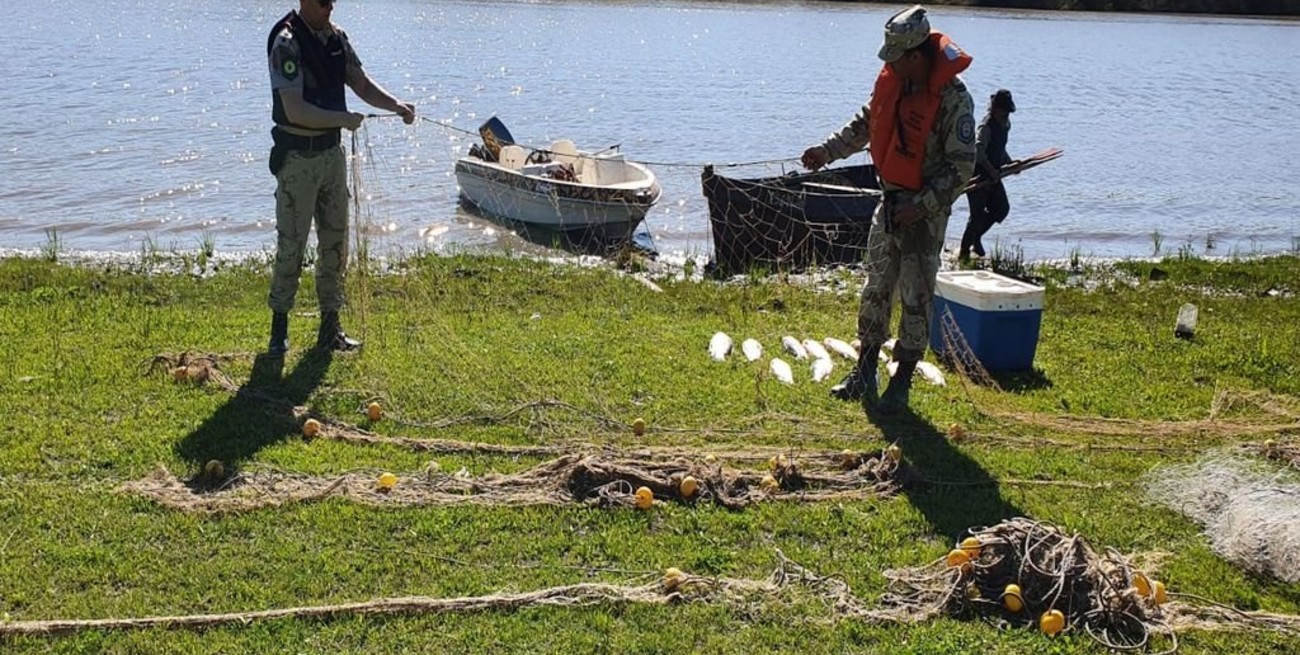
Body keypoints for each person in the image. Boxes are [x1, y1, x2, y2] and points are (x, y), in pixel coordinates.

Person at [800, 5, 975, 412]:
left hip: (925, 214)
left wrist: (924, 205)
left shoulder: (954, 100)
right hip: (890, 202)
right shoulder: (894, 82)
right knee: (875, 287)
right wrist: (826, 151)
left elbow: (961, 168)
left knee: (916, 296)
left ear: (917, 56)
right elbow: (867, 123)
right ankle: (864, 371)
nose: (890, 65)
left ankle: (903, 380)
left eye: (896, 58)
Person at [265, 0, 416, 354]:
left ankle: (330, 330)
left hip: (332, 157)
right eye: (322, 1)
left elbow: (360, 84)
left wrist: (396, 105)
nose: (330, 6)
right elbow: (294, 108)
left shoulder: (337, 38)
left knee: (336, 243)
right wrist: (342, 119)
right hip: (297, 157)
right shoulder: (286, 40)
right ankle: (278, 333)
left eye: (333, 0)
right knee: (292, 245)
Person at [960, 89, 1016, 261]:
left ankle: (976, 237)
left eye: (1008, 111)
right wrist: (991, 171)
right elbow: (978, 151)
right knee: (976, 215)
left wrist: (1010, 163)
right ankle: (964, 252)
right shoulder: (986, 126)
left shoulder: (1006, 124)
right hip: (978, 174)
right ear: (995, 108)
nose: (1006, 114)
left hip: (994, 175)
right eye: (1003, 110)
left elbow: (999, 148)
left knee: (1001, 209)